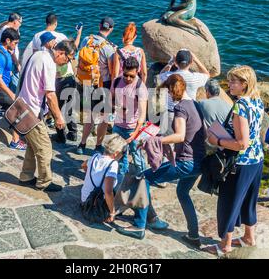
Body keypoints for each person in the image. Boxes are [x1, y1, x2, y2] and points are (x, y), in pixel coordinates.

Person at [117, 74, 206, 243]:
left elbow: (179, 136)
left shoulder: (181, 108)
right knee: (182, 192)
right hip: (199, 162)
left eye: (167, 92)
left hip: (186, 162)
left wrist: (155, 140)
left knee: (143, 178)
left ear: (172, 91)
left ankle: (139, 225)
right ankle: (193, 235)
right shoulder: (196, 104)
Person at [206, 65, 264, 256]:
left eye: (233, 81)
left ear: (244, 84)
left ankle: (225, 245)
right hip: (257, 160)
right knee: (249, 201)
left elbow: (241, 143)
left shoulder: (240, 106)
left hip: (240, 163)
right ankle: (249, 237)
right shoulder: (257, 101)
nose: (228, 84)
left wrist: (217, 140)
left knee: (229, 202)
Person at [17, 40, 76, 192]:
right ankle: (44, 182)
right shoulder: (49, 63)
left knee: (32, 145)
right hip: (32, 111)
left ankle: (26, 176)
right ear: (61, 52)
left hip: (24, 106)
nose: (66, 63)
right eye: (67, 59)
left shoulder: (39, 54)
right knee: (45, 147)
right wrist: (58, 117)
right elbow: (50, 95)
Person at [32, 13, 83, 144]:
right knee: (69, 107)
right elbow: (74, 48)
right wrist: (78, 34)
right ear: (55, 23)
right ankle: (73, 133)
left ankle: (61, 136)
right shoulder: (62, 37)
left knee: (57, 107)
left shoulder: (38, 38)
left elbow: (35, 56)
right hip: (70, 77)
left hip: (57, 79)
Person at [76, 17, 116, 155]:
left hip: (86, 82)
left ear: (99, 26)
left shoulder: (87, 39)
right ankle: (98, 146)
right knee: (104, 118)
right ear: (111, 29)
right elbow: (112, 72)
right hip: (102, 85)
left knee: (89, 116)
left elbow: (79, 58)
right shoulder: (108, 48)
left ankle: (82, 144)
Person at [0, 28, 27, 150]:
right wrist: (12, 94)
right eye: (15, 43)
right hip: (0, 89)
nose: (16, 45)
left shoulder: (2, 48)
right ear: (7, 40)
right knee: (17, 110)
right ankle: (15, 141)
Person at [111, 57, 147, 186]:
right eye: (125, 75)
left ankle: (141, 180)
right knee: (120, 155)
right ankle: (121, 180)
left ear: (137, 71)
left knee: (137, 156)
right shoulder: (116, 82)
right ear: (122, 70)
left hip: (132, 128)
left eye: (131, 76)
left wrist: (136, 132)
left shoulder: (140, 88)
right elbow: (111, 100)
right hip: (118, 125)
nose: (128, 78)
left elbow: (143, 113)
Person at [159, 49, 210, 134]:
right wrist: (196, 60)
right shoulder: (195, 77)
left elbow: (161, 74)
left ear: (176, 62)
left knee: (169, 142)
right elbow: (207, 74)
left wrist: (170, 63)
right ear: (191, 62)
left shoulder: (169, 76)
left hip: (170, 113)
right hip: (189, 112)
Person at [80, 134, 128, 223]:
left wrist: (90, 174)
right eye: (123, 152)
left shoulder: (95, 157)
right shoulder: (113, 164)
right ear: (116, 153)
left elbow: (83, 165)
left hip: (84, 201)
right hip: (95, 208)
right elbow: (108, 192)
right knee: (127, 186)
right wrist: (112, 212)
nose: (123, 155)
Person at [0, 13, 22, 91]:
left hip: (8, 60)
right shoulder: (9, 32)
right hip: (11, 62)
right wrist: (17, 63)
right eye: (20, 22)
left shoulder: (3, 29)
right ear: (15, 21)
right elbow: (10, 50)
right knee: (15, 86)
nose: (20, 25)